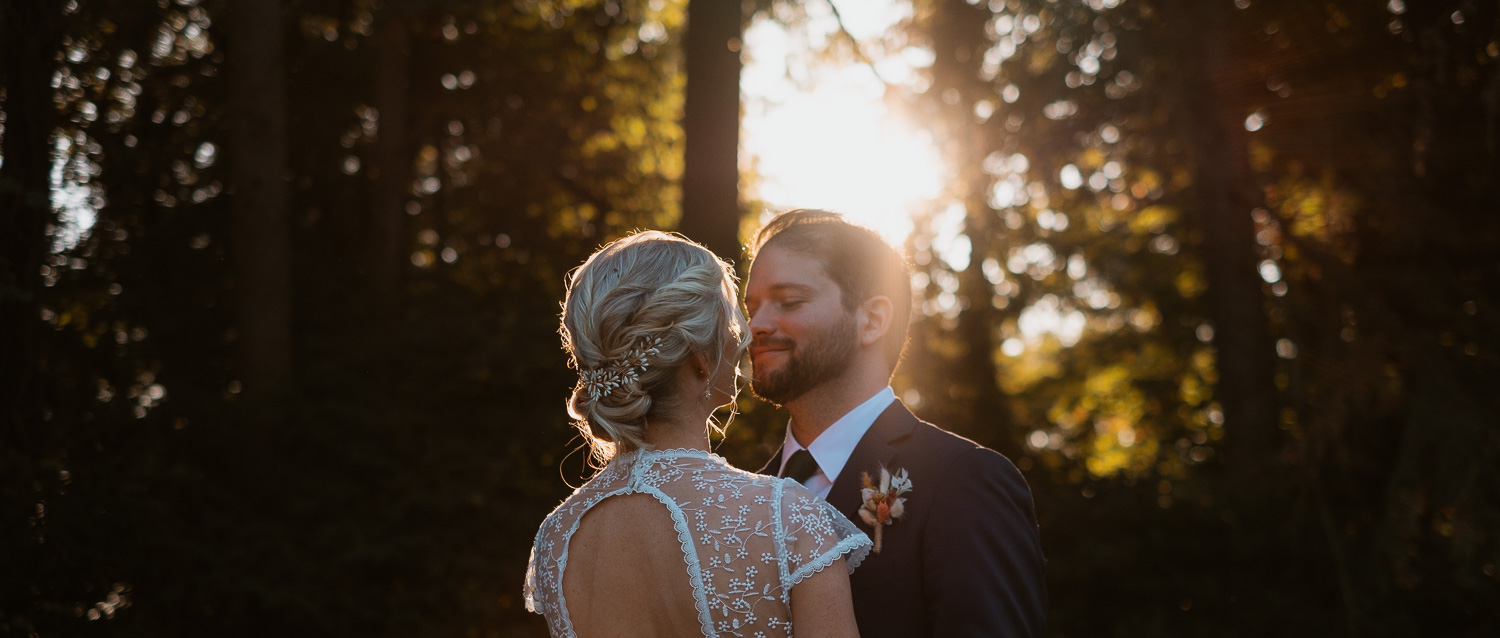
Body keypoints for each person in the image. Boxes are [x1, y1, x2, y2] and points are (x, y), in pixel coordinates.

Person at [524, 230, 871, 638]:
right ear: (700, 358)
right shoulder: (786, 517)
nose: (740, 337)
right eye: (728, 320)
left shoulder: (558, 537)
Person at [745, 210, 1048, 638]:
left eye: (789, 301)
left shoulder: (963, 480)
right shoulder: (741, 498)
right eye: (751, 307)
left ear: (872, 319)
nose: (755, 326)